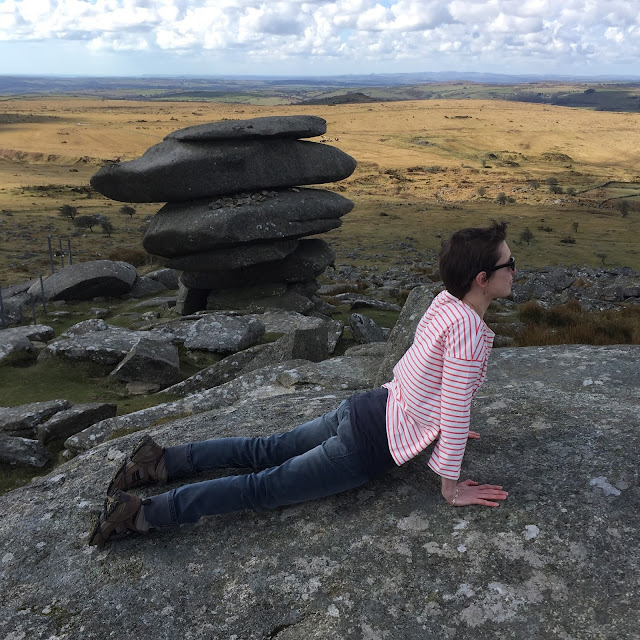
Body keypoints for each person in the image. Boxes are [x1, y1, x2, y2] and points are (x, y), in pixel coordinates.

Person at [89, 221, 513, 546]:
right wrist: (450, 486)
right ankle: (141, 514)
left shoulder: (445, 303)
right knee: (264, 486)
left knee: (265, 449)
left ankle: (159, 461)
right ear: (482, 278)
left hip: (366, 407)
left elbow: (419, 371)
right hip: (366, 446)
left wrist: (433, 426)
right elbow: (455, 405)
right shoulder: (468, 331)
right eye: (508, 265)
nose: (514, 271)